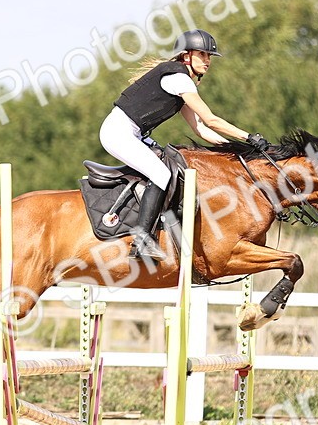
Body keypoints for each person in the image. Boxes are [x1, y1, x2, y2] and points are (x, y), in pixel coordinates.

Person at [99, 28, 269, 259]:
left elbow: (201, 129)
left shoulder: (182, 82)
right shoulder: (178, 79)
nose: (207, 61)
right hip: (119, 132)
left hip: (133, 133)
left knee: (171, 169)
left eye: (209, 56)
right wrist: (248, 137)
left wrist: (236, 151)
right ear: (186, 55)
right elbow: (211, 119)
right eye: (202, 55)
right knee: (160, 174)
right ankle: (141, 241)